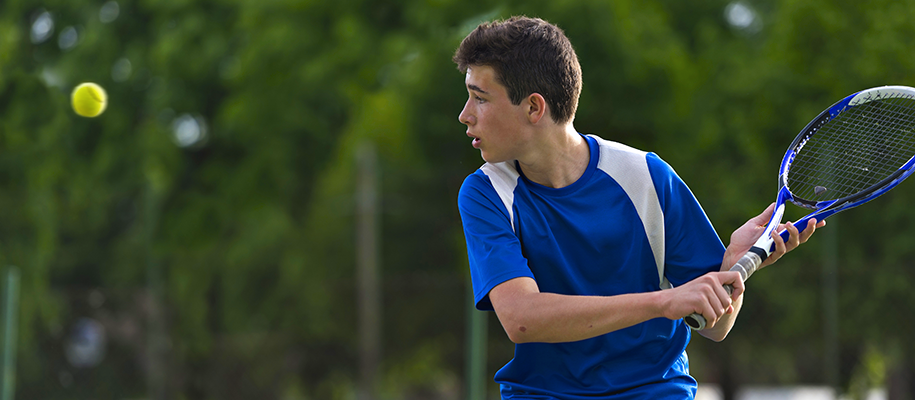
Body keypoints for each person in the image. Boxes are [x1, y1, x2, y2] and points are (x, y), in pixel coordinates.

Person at [454, 16, 824, 399]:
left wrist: (732, 267)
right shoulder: (485, 193)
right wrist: (664, 302)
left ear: (534, 108)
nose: (465, 114)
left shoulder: (647, 176)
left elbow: (715, 326)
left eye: (480, 98)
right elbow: (522, 319)